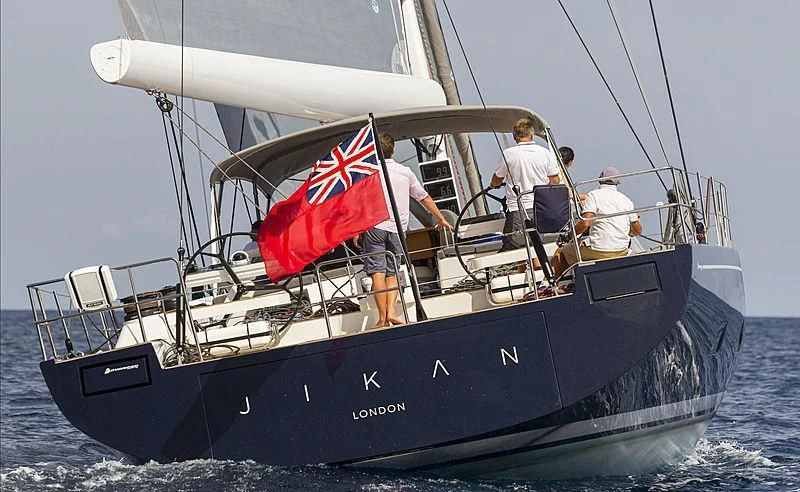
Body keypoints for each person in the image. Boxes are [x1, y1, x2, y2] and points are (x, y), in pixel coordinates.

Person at [363, 132, 454, 328]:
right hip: (397, 229)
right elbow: (425, 198)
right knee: (392, 272)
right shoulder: (405, 172)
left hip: (375, 227)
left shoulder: (369, 173)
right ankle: (393, 312)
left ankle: (381, 318)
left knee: (377, 273)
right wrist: (441, 218)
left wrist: (356, 230)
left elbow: (359, 204)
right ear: (393, 150)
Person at [550, 166, 642, 277]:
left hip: (599, 249)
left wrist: (569, 236)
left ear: (599, 179)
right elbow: (638, 230)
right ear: (617, 183)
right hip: (621, 250)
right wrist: (627, 232)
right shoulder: (626, 200)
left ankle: (547, 286)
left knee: (562, 252)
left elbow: (585, 223)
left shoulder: (594, 195)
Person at [490, 118, 560, 251]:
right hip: (542, 208)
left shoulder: (509, 154)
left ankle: (522, 271)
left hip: (518, 210)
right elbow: (555, 181)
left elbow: (497, 179)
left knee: (514, 247)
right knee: (539, 245)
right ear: (532, 135)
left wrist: (494, 185)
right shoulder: (545, 153)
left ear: (514, 136)